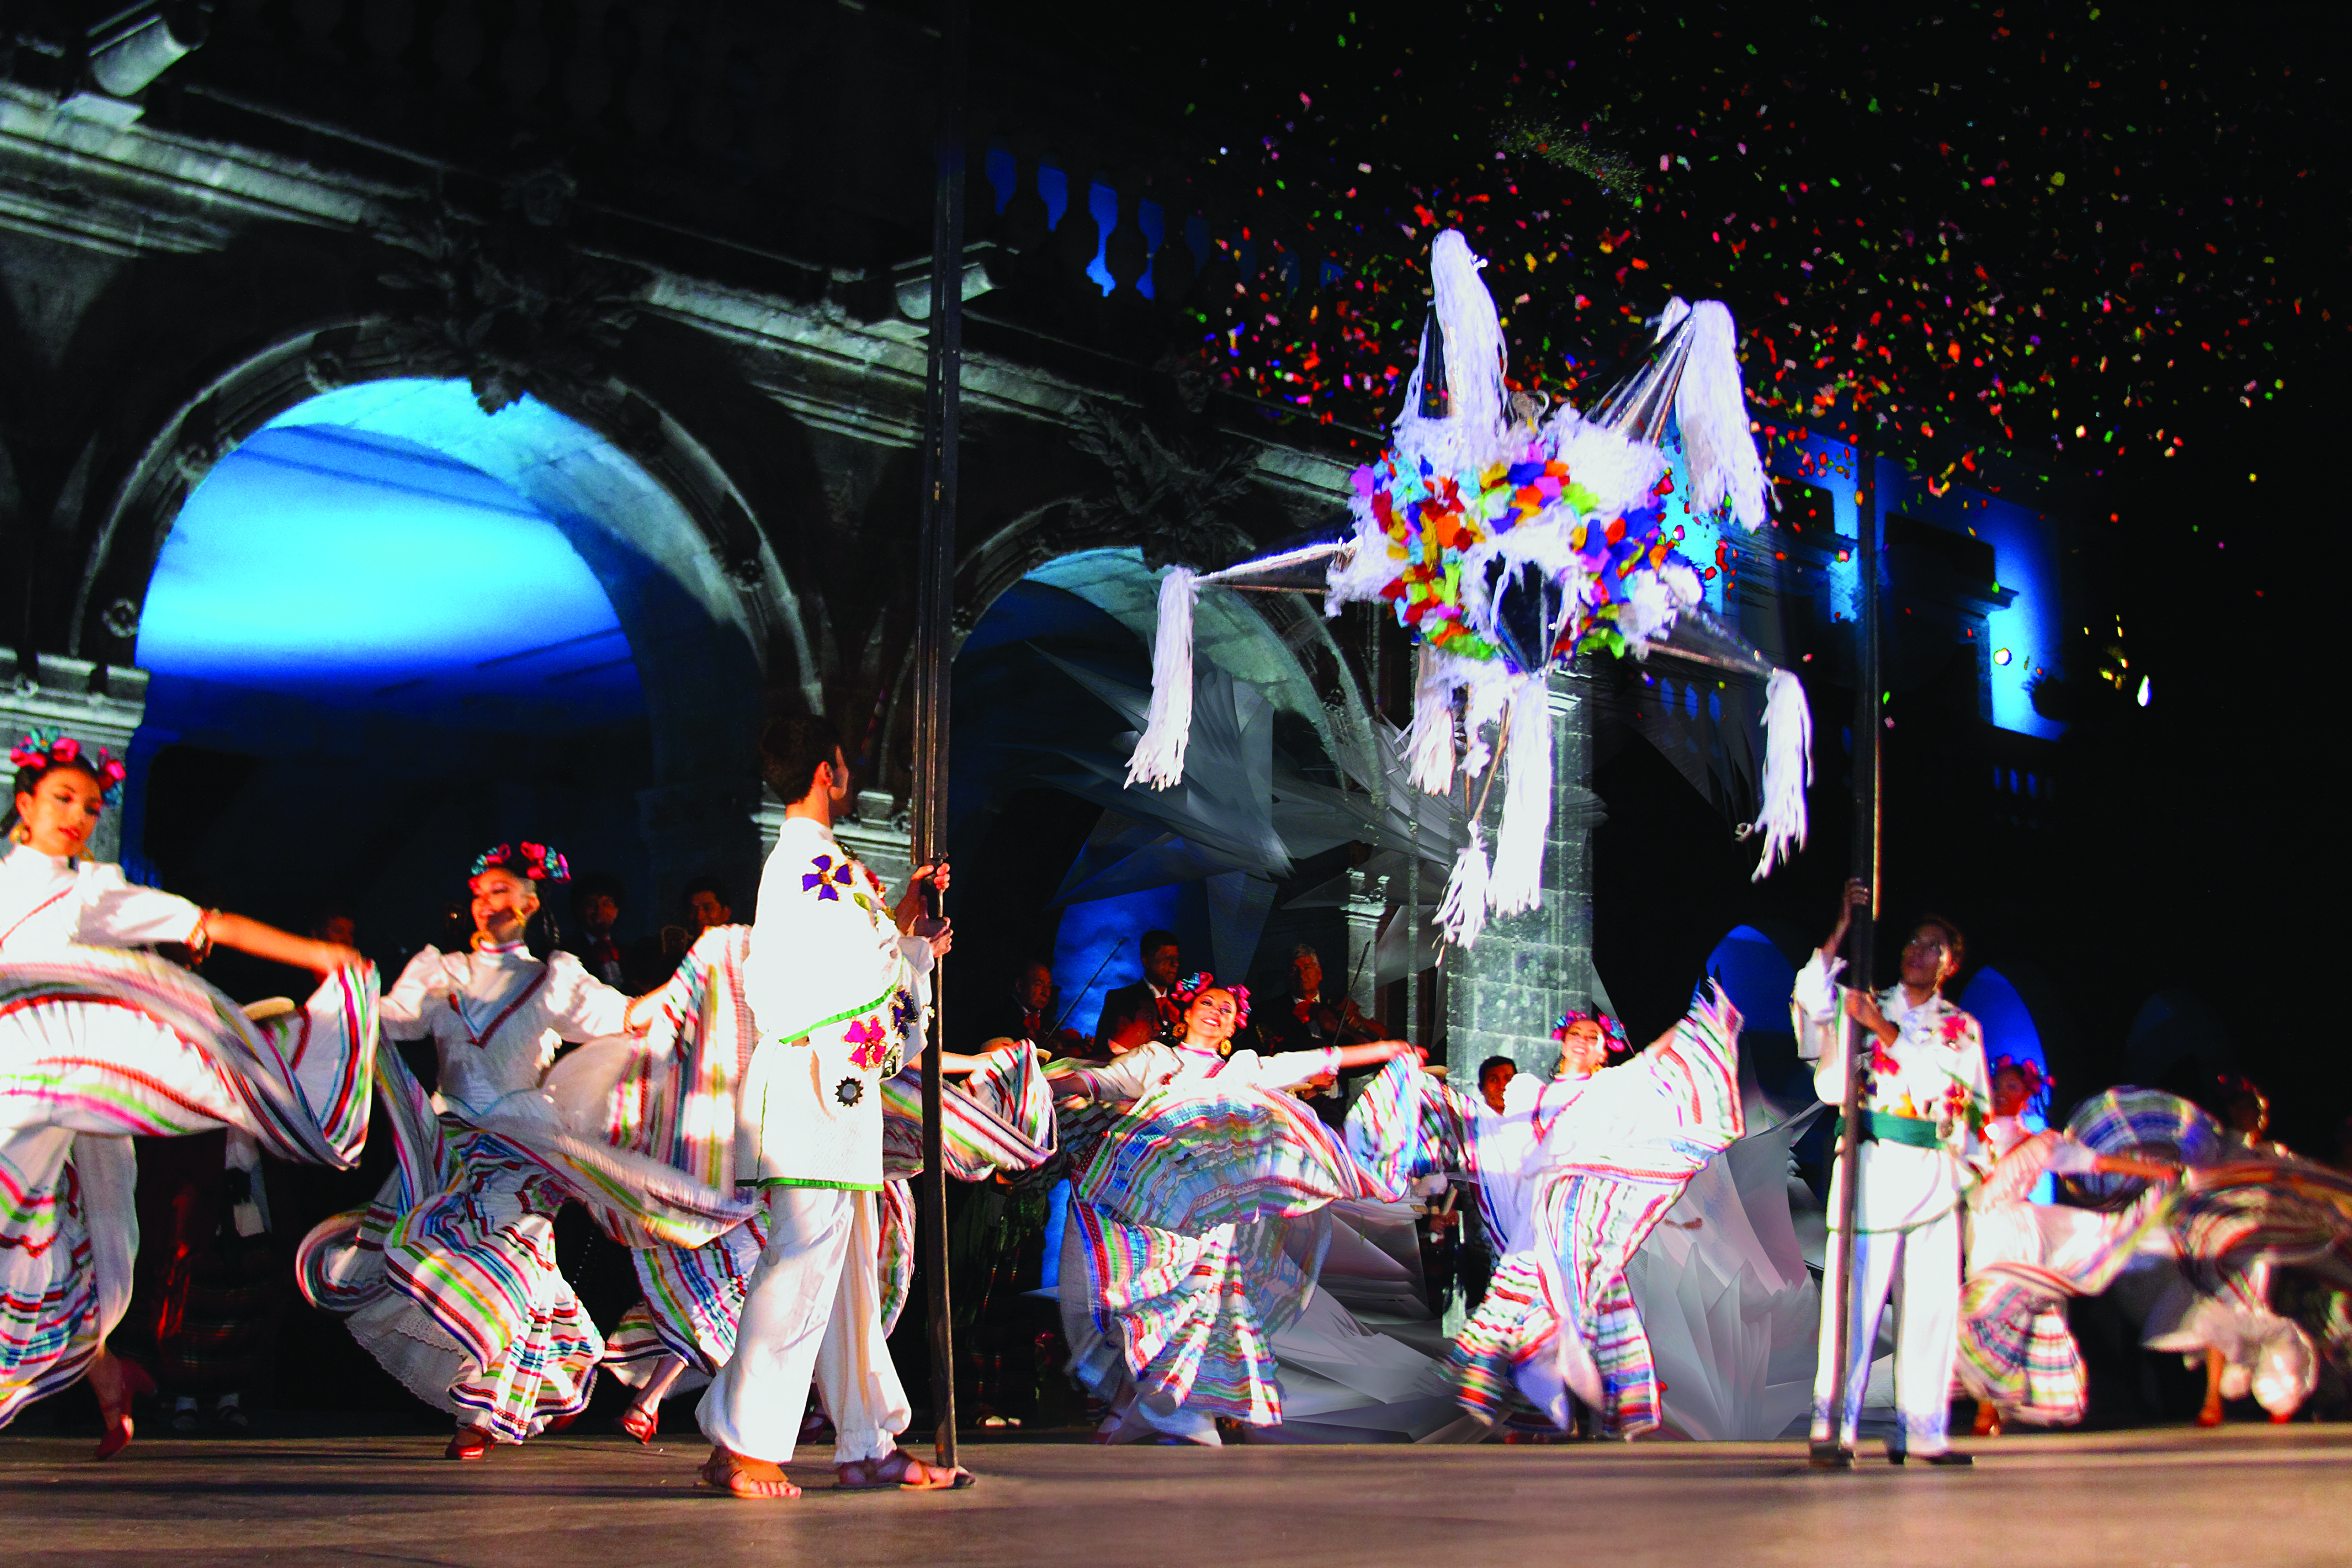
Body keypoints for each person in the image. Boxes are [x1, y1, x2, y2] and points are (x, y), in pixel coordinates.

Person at [1, 728, 372, 1459]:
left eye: (90, 804)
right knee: (25, 1250)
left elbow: (207, 923)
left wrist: (315, 953)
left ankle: (94, 1364)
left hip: (44, 1078)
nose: (77, 814)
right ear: (25, 803)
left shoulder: (91, 889)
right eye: (63, 799)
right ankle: (105, 1371)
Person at [300, 841, 678, 1460]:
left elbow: (626, 1017)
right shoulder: (441, 971)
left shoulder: (553, 979)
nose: (486, 904)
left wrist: (688, 986)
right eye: (480, 894)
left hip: (523, 1145)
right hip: (446, 1146)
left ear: (530, 903)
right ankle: (559, 1368)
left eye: (501, 893)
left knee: (508, 1265)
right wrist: (346, 991)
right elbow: (391, 1018)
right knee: (456, 1267)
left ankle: (479, 1411)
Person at [694, 713, 966, 1499]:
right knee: (804, 1260)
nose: (848, 775)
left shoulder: (808, 865)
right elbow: (867, 975)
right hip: (818, 1086)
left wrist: (902, 922)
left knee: (845, 1271)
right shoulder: (817, 862)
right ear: (827, 771)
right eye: (844, 764)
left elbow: (856, 950)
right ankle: (744, 1443)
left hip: (826, 1092)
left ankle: (864, 1439)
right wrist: (914, 949)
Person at [1048, 973, 1419, 1444]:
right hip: (1156, 1216)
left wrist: (1384, 1050)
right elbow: (1099, 1080)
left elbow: (1306, 1062)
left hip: (1217, 1217)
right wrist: (1042, 1086)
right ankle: (1136, 1410)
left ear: (1231, 1029)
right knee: (1153, 1311)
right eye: (1207, 1002)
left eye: (1226, 1010)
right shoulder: (1158, 1060)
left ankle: (1164, 1411)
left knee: (1198, 1309)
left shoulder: (1239, 1069)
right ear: (1184, 1012)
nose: (1216, 1012)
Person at [1796, 879, 1989, 1467]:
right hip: (1873, 1168)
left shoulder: (1961, 1027)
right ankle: (1836, 1428)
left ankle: (1923, 1428)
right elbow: (1815, 1030)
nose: (1917, 950)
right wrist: (1840, 930)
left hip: (1931, 1172)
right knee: (1853, 1300)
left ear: (1949, 964)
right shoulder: (1867, 1001)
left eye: (1932, 946)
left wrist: (1884, 1031)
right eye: (1912, 941)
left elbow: (1954, 1094)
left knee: (1930, 1303)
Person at [1958, 1058, 2177, 1435]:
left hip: (2017, 1231)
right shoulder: (1968, 1130)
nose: (2000, 1091)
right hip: (1980, 1226)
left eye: (2012, 1087)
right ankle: (1989, 1398)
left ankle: (1989, 1407)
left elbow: (2096, 1162)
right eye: (1998, 1084)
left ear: (2027, 1096)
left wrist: (2156, 1171)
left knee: (2006, 1307)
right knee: (1978, 1310)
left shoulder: (2038, 1142)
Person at [1093, 929, 1181, 1054]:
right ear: (1147, 962)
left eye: (1177, 958)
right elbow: (1101, 1050)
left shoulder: (1182, 1000)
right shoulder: (1120, 998)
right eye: (1167, 958)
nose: (1175, 964)